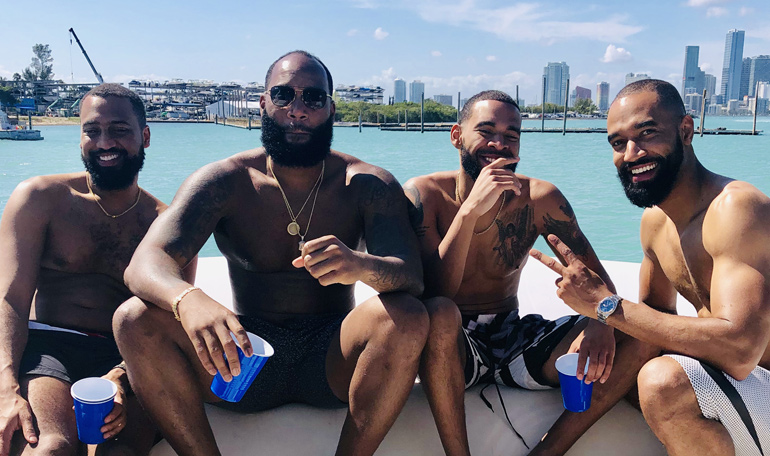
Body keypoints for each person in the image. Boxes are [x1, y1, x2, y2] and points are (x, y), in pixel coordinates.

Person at [113, 50, 427, 456]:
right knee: (134, 318)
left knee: (408, 316)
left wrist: (360, 265)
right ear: (263, 103)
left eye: (313, 98)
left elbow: (411, 277)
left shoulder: (366, 184)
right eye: (283, 95)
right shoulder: (225, 181)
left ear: (331, 108)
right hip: (245, 356)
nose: (297, 110)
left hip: (334, 357)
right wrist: (187, 299)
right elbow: (146, 262)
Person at [404, 90, 659, 455]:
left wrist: (599, 323)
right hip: (450, 345)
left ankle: (547, 450)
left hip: (513, 336)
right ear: (457, 136)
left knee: (641, 334)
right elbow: (433, 295)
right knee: (441, 314)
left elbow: (600, 284)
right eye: (487, 131)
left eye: (511, 135)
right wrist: (470, 210)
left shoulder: (539, 198)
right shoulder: (424, 194)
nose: (499, 144)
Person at [530, 79, 770, 456]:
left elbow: (741, 350)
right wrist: (598, 324)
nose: (631, 153)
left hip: (760, 379)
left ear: (686, 130)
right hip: (738, 383)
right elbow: (650, 322)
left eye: (647, 133)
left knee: (662, 382)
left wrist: (605, 306)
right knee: (624, 356)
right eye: (617, 143)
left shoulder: (736, 210)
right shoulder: (655, 222)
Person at [0, 84, 173, 455]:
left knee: (120, 453)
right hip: (49, 348)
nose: (104, 142)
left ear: (144, 136)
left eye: (119, 130)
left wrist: (122, 378)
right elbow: (10, 298)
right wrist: (5, 388)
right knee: (51, 447)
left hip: (130, 356)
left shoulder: (166, 223)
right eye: (92, 131)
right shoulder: (40, 198)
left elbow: (165, 320)